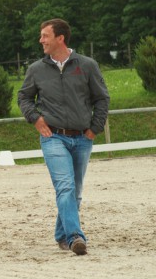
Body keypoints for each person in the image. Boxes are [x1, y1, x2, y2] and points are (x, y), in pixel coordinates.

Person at [17, 18, 110, 256]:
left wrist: (94, 129)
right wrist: (36, 119)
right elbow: (24, 98)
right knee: (65, 186)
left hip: (82, 138)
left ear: (60, 38)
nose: (41, 40)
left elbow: (102, 98)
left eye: (45, 36)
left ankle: (61, 234)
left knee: (75, 190)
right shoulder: (36, 69)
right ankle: (75, 237)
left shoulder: (87, 65)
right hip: (53, 137)